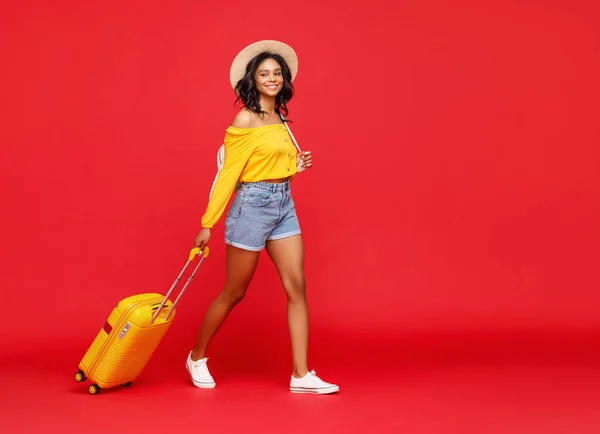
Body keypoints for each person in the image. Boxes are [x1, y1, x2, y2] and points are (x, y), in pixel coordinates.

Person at [185, 40, 339, 394]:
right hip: (252, 207)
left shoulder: (280, 116)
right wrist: (208, 223)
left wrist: (293, 167)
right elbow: (230, 173)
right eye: (264, 74)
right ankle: (196, 356)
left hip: (283, 203)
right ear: (252, 80)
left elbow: (268, 165)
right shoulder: (245, 118)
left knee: (296, 286)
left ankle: (301, 375)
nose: (271, 78)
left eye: (276, 73)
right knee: (235, 291)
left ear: (284, 79)